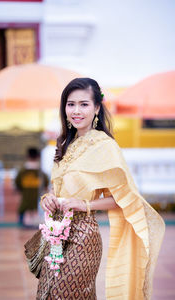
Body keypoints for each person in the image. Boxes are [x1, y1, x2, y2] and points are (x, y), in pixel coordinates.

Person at [31, 78, 165, 299]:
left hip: (83, 236)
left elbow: (124, 198)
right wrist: (48, 197)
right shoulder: (64, 143)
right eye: (70, 104)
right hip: (55, 233)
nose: (76, 110)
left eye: (84, 104)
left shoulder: (105, 146)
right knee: (48, 292)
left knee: (69, 294)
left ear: (96, 108)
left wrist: (84, 204)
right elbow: (58, 188)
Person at [15, 147, 49, 226]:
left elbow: (17, 184)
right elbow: (46, 185)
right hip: (38, 204)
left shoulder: (22, 172)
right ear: (38, 157)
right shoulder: (41, 173)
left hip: (25, 201)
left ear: (27, 157)